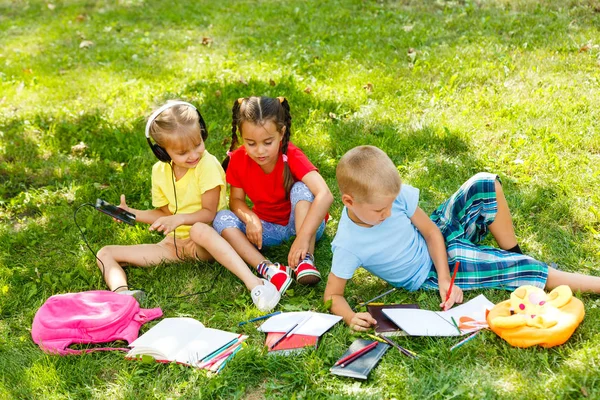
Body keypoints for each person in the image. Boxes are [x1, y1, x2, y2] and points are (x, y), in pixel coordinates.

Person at [324, 145, 600, 331]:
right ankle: (590, 283)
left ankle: (513, 251)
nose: (388, 212)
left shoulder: (389, 196)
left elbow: (431, 231)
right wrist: (350, 316)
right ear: (349, 201)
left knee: (483, 183)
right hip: (426, 272)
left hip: (437, 239)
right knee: (519, 269)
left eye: (391, 204)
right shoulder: (348, 244)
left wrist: (447, 277)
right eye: (380, 210)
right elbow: (332, 295)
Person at [96, 101, 280, 311]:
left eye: (197, 144)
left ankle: (255, 284)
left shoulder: (207, 165)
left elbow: (209, 214)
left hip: (207, 240)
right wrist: (131, 214)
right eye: (183, 152)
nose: (193, 155)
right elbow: (165, 213)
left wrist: (180, 219)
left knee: (198, 229)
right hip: (173, 245)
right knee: (105, 252)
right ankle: (122, 295)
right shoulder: (159, 171)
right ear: (162, 152)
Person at [213, 96, 333, 296]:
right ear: (242, 137)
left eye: (267, 142)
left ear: (281, 133)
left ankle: (304, 260)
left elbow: (325, 194)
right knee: (220, 218)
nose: (260, 151)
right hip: (268, 229)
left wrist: (302, 238)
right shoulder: (238, 160)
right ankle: (270, 269)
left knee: (301, 188)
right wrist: (251, 219)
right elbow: (236, 201)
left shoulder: (292, 155)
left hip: (305, 225)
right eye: (251, 143)